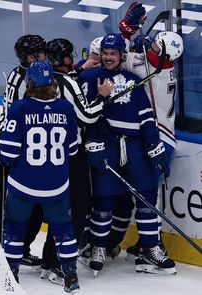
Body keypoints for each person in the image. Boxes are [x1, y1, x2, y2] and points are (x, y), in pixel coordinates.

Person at [78, 32, 176, 276]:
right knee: (104, 200)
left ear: (122, 55)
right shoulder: (90, 77)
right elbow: (86, 113)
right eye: (106, 53)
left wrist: (155, 148)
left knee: (146, 198)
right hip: (107, 145)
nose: (109, 58)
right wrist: (94, 143)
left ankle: (151, 248)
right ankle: (98, 247)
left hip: (135, 146)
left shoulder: (133, 80)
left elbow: (145, 115)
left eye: (113, 54)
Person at [0, 60, 80, 293]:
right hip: (56, 187)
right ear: (52, 83)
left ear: (29, 83)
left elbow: (7, 152)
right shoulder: (65, 108)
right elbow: (72, 149)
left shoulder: (20, 108)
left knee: (14, 229)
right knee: (64, 231)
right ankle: (70, 276)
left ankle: (11, 275)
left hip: (23, 185)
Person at [40, 38, 112, 284]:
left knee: (58, 209)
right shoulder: (68, 83)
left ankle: (48, 261)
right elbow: (87, 115)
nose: (73, 59)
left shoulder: (41, 80)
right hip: (71, 156)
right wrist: (103, 97)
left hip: (49, 157)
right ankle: (60, 265)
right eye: (69, 56)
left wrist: (80, 70)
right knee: (77, 209)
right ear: (64, 59)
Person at [111, 27, 184, 265]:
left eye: (154, 47)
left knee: (148, 197)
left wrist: (127, 38)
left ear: (163, 56)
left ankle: (152, 244)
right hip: (161, 137)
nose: (149, 47)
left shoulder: (154, 72)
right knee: (144, 195)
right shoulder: (162, 66)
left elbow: (120, 58)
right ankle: (146, 243)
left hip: (157, 141)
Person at [0, 34, 46, 267]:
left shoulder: (33, 73)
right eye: (35, 54)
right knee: (5, 200)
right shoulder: (23, 77)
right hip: (11, 143)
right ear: (24, 57)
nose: (40, 58)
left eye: (42, 53)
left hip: (29, 146)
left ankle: (19, 247)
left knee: (35, 202)